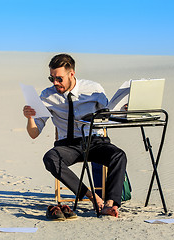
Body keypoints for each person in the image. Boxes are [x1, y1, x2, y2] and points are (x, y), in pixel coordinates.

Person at [23, 53, 127, 218]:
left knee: (118, 155)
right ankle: (93, 197)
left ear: (72, 74)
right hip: (68, 146)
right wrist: (30, 118)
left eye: (59, 78)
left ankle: (110, 204)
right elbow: (34, 133)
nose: (55, 83)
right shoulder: (47, 96)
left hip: (95, 141)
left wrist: (122, 111)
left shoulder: (94, 89)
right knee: (50, 158)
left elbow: (108, 113)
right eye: (52, 79)